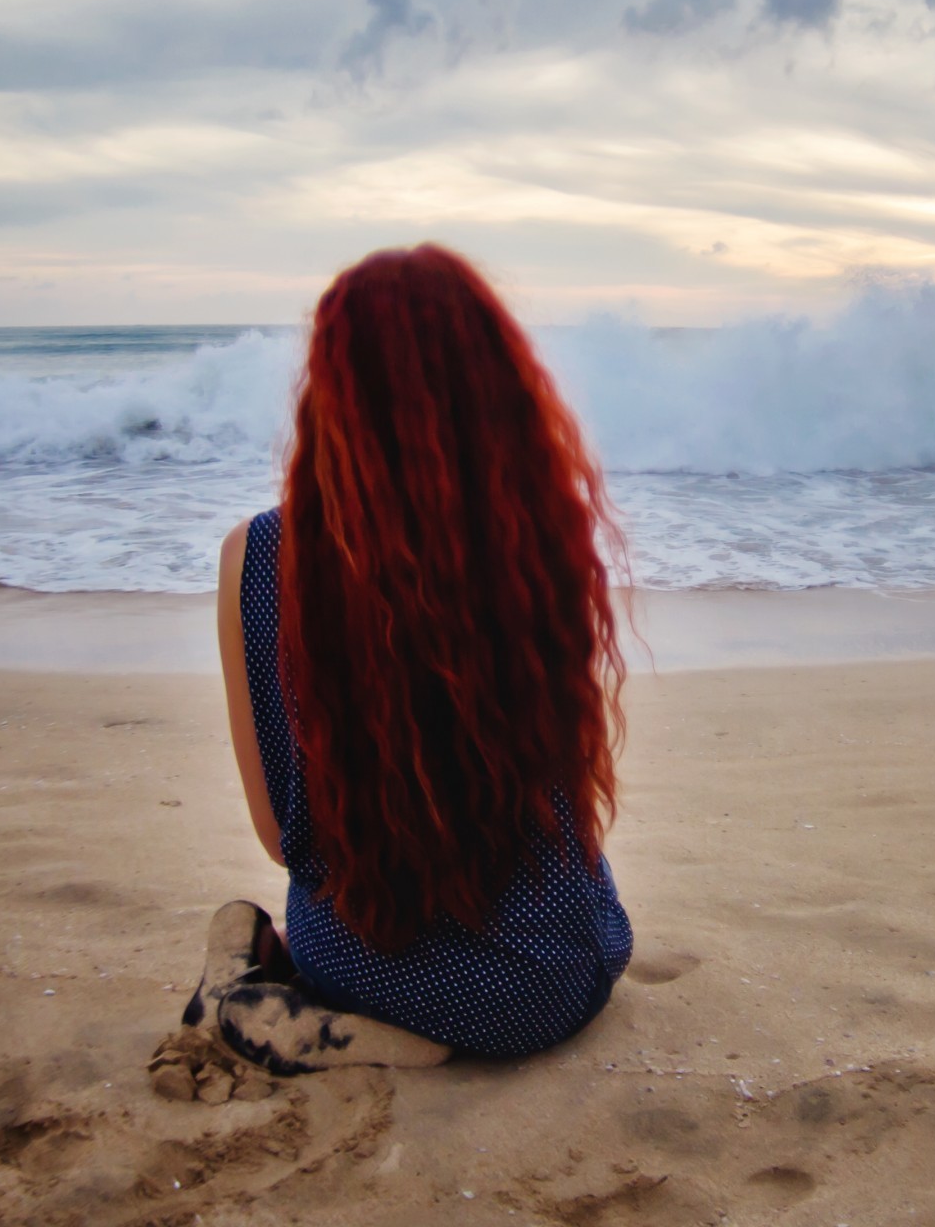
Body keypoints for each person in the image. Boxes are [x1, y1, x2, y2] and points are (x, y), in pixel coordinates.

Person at [211, 243, 633, 1071]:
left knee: (323, 912)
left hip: (367, 963)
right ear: (497, 386)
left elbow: (276, 834)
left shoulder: (258, 559)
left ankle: (329, 1005)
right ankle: (393, 1029)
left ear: (329, 389)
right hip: (558, 976)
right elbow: (563, 797)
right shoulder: (539, 538)